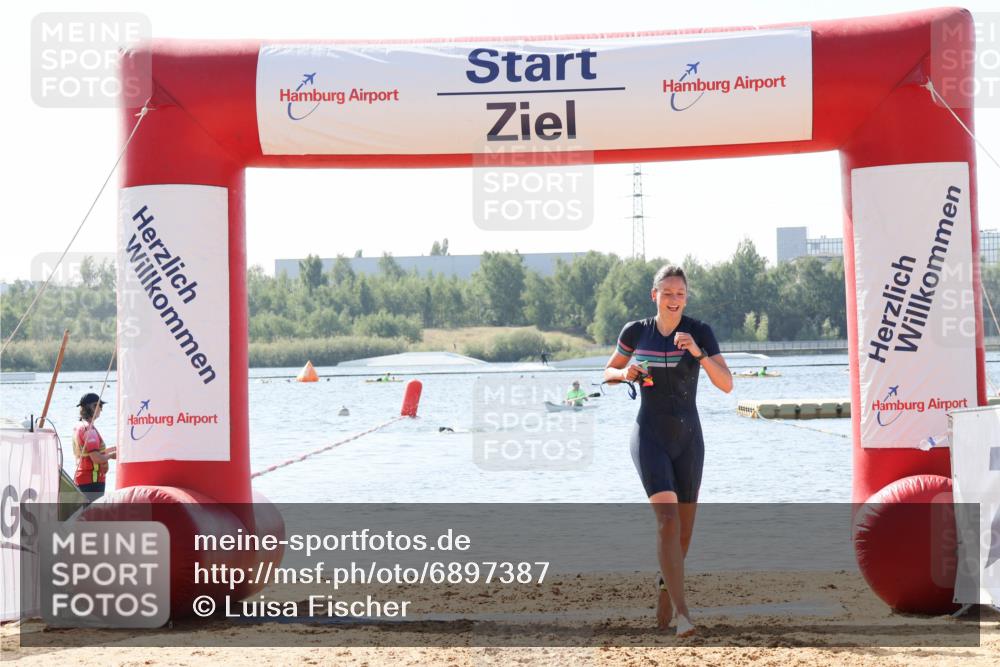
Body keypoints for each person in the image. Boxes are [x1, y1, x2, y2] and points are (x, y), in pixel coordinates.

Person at [603, 265, 732, 636]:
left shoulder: (700, 332)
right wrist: (625, 373)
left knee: (684, 533)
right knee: (668, 521)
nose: (674, 300)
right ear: (654, 295)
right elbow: (608, 370)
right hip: (650, 437)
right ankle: (684, 614)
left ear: (686, 298)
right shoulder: (636, 331)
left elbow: (726, 384)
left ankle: (664, 589)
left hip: (689, 441)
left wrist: (699, 353)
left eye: (680, 294)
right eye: (667, 292)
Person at [73, 392, 116, 502]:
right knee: (94, 517)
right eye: (99, 406)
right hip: (92, 483)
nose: (101, 409)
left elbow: (92, 452)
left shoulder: (79, 426)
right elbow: (96, 458)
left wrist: (114, 448)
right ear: (92, 407)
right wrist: (112, 455)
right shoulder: (89, 429)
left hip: (84, 481)